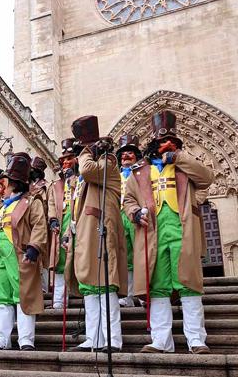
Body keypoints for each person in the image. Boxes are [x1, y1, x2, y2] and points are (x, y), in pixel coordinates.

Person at [123, 110, 214, 354]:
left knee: (188, 284)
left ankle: (196, 340)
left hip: (181, 230)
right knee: (158, 286)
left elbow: (207, 178)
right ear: (154, 144)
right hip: (152, 234)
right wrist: (134, 213)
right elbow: (128, 200)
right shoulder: (140, 171)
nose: (167, 146)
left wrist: (179, 157)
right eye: (163, 142)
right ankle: (161, 341)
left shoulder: (185, 167)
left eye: (172, 142)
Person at [0, 153, 47, 350]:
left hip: (19, 256)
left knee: (22, 296)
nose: (0, 187)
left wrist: (34, 247)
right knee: (2, 297)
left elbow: (39, 225)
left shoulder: (31, 202)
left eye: (4, 183)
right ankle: (2, 339)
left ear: (14, 184)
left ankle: (26, 340)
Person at [66, 115, 128, 352]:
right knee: (91, 287)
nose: (80, 152)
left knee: (105, 285)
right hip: (86, 233)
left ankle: (113, 339)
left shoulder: (108, 161)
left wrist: (85, 152)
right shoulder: (86, 171)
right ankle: (94, 338)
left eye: (83, 147)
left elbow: (89, 170)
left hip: (102, 228)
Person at [47, 139, 81, 309]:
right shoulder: (56, 185)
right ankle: (60, 299)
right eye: (63, 161)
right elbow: (52, 204)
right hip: (62, 222)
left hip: (78, 222)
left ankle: (81, 292)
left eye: (70, 159)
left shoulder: (81, 180)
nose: (66, 163)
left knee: (79, 258)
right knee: (60, 261)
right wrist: (53, 219)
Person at [115, 135, 142, 308]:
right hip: (119, 216)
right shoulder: (115, 176)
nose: (126, 156)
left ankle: (142, 292)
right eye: (123, 154)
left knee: (141, 254)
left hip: (136, 216)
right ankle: (129, 294)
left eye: (130, 153)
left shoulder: (141, 173)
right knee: (126, 257)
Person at [28, 156, 49, 293]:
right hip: (28, 224)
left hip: (42, 222)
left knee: (43, 257)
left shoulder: (46, 185)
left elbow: (46, 204)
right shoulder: (27, 184)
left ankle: (44, 287)